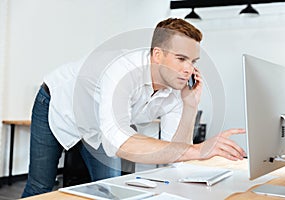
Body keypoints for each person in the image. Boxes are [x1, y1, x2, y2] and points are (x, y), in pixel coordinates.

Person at [22, 18, 246, 198]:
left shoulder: (176, 90)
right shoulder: (122, 70)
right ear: (158, 55)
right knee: (40, 186)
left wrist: (190, 105)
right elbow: (118, 139)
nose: (189, 69)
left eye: (193, 61)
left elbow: (176, 153)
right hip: (58, 103)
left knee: (111, 189)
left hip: (99, 124)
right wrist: (199, 150)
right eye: (181, 59)